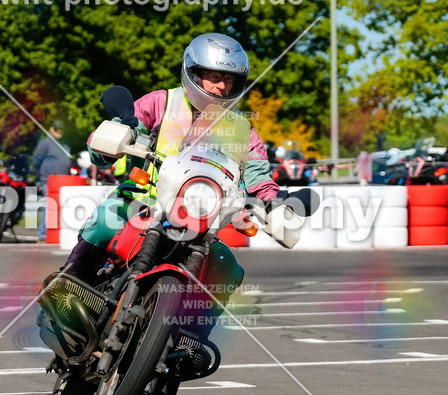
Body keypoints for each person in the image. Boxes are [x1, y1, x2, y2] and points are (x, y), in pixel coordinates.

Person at [54, 32, 290, 342]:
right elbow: (128, 124)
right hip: (144, 202)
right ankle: (66, 294)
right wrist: (118, 134)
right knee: (105, 221)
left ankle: (190, 341)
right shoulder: (162, 102)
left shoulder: (242, 129)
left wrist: (274, 202)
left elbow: (259, 174)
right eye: (214, 76)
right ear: (194, 73)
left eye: (229, 79)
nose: (222, 86)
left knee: (227, 268)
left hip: (200, 220)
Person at [32, 120, 72, 241]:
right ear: (51, 129)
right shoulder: (45, 143)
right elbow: (36, 161)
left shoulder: (65, 144)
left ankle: (57, 233)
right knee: (49, 206)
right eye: (57, 129)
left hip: (63, 181)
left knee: (62, 207)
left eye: (61, 130)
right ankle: (42, 234)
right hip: (49, 180)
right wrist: (42, 176)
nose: (59, 132)